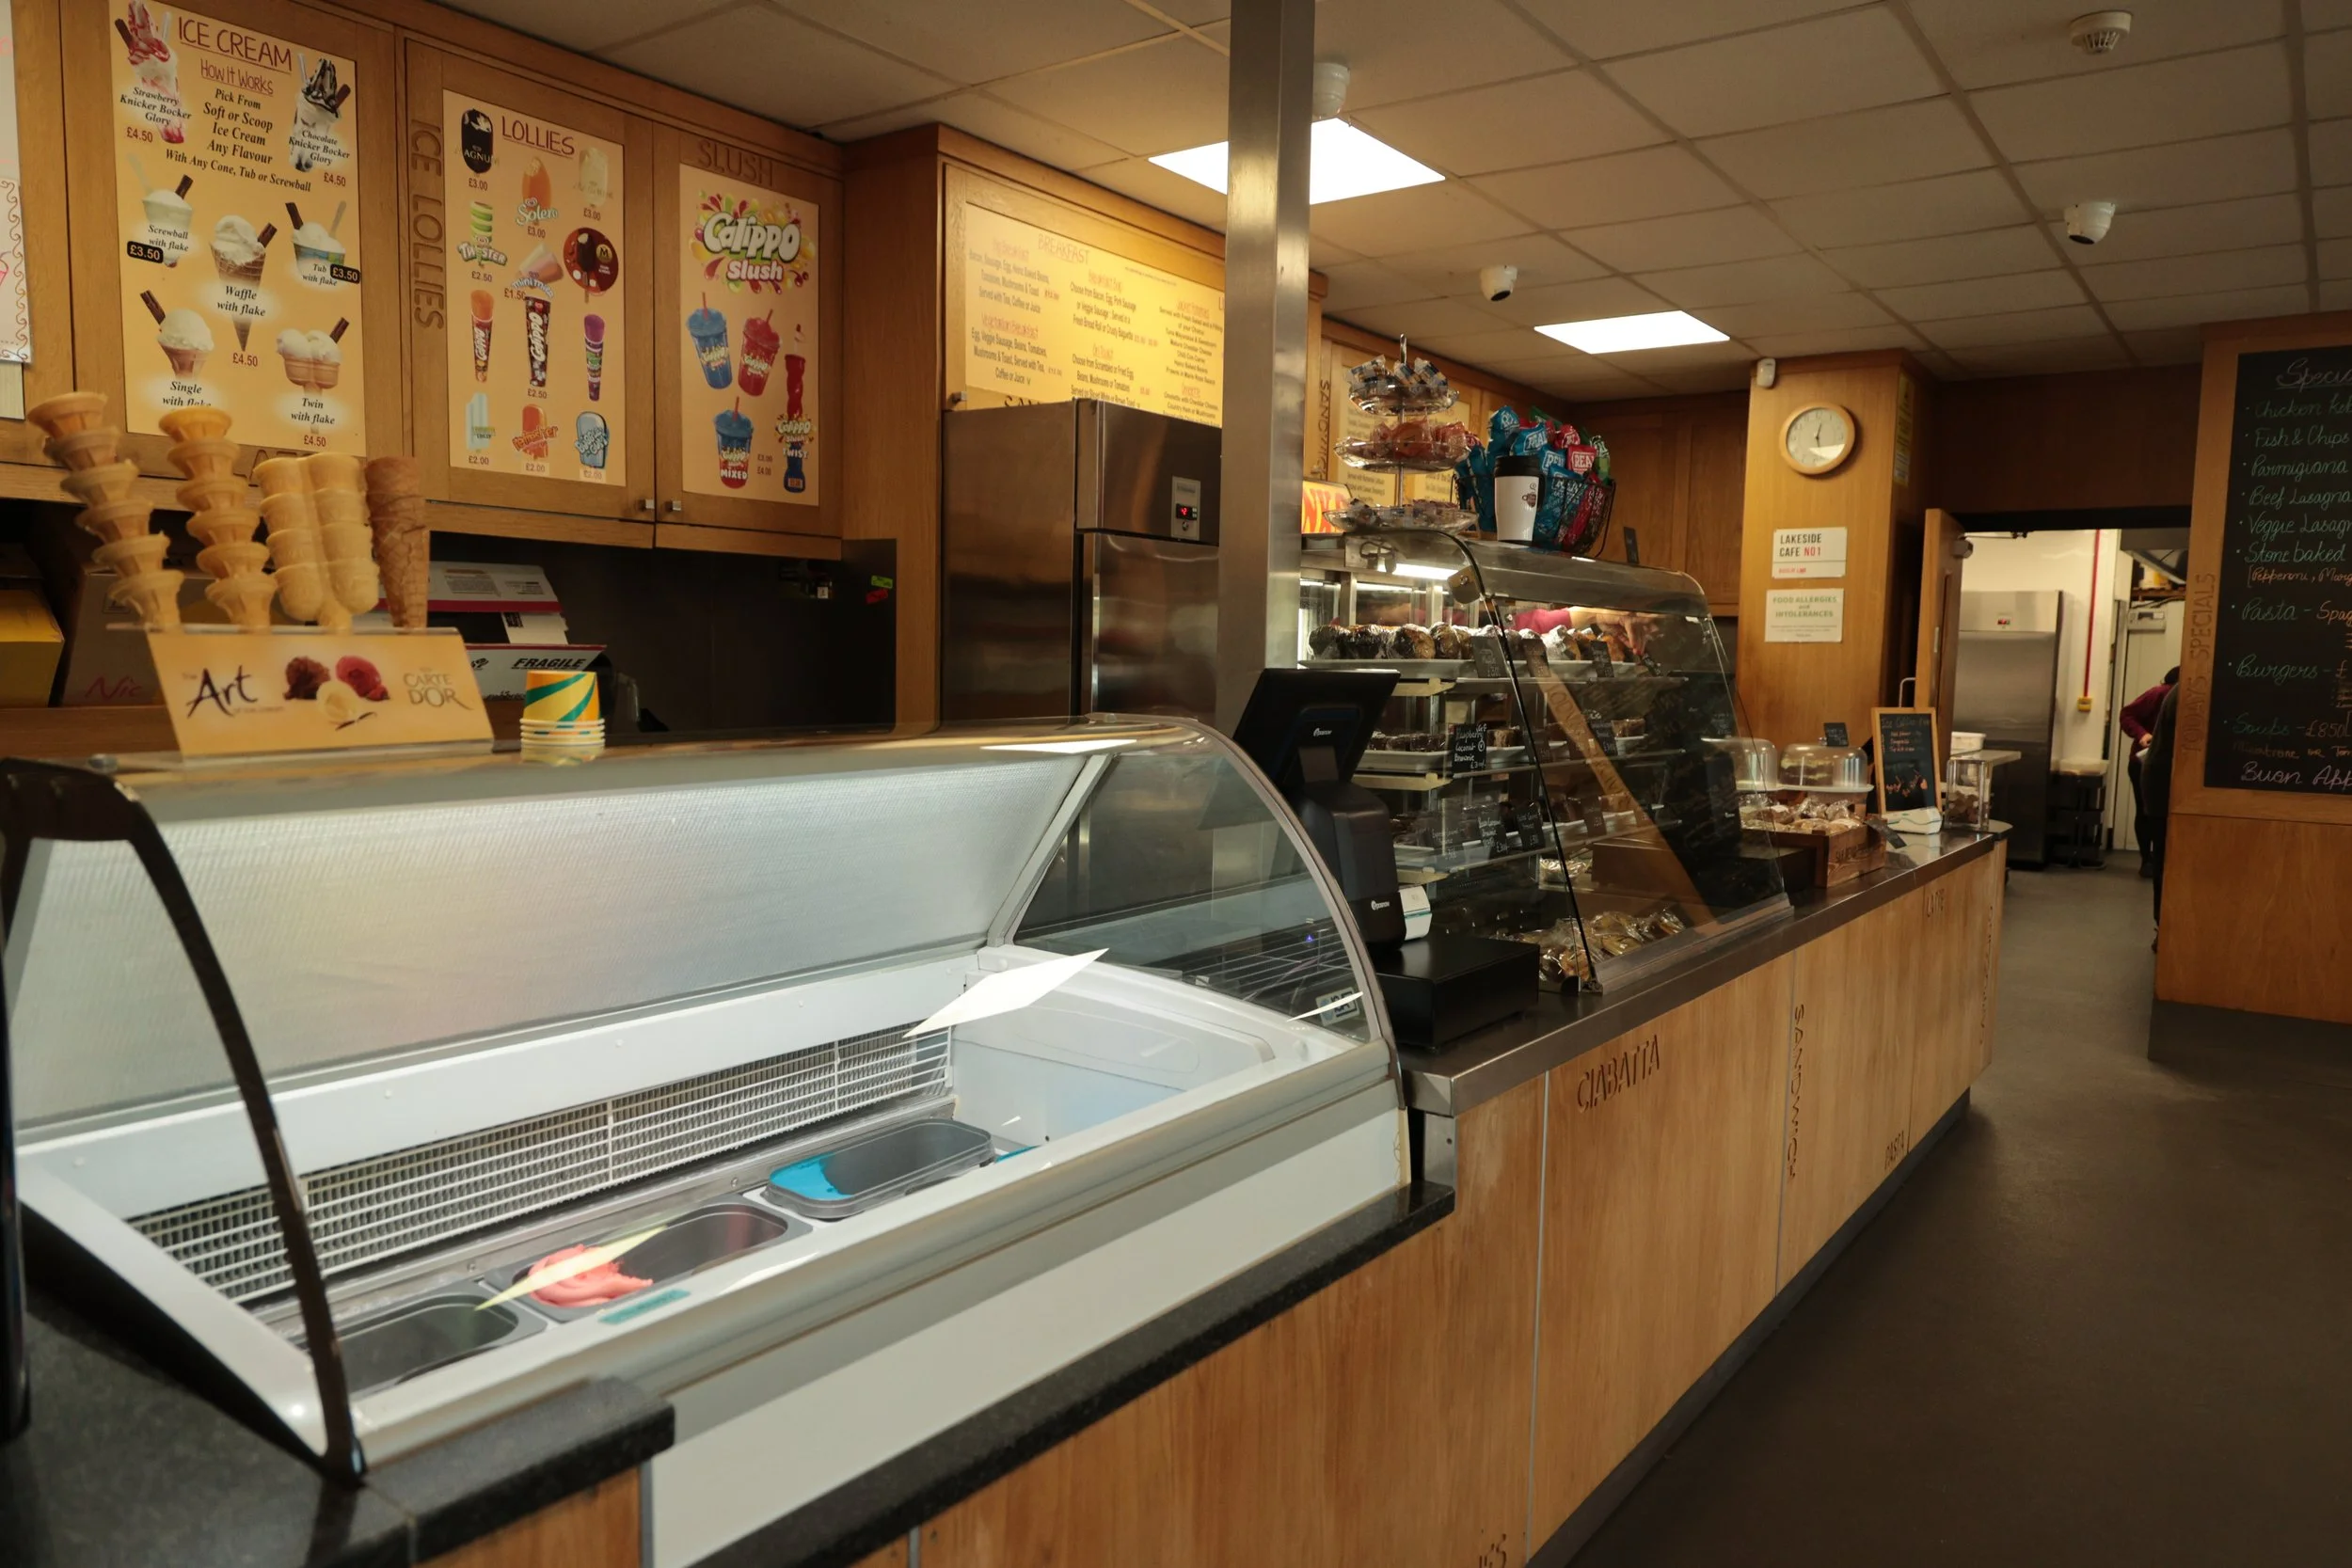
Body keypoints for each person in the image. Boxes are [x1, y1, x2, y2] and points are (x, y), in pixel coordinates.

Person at [2121, 666, 2178, 876]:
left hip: (2169, 764)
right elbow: (2127, 714)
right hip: (2145, 763)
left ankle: (2160, 860)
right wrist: (2142, 734)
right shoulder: (2160, 693)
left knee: (2161, 813)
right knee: (2146, 810)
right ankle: (2147, 860)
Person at [2140, 681, 2179, 938]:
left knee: (2165, 858)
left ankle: (2163, 928)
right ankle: (2163, 928)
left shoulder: (2180, 690)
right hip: (2163, 784)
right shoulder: (2183, 691)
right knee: (2166, 859)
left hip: (2161, 780)